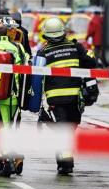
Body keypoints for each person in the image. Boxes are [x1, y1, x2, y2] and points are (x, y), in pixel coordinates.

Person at [38, 17, 97, 175]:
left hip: (55, 100)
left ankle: (65, 163)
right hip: (75, 99)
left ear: (46, 35)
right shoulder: (76, 47)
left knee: (62, 130)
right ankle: (66, 162)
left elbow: (35, 77)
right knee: (69, 129)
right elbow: (92, 64)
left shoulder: (43, 52)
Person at [0, 20, 28, 176]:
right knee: (9, 127)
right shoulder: (18, 47)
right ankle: (3, 158)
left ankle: (6, 161)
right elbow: (25, 67)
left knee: (1, 127)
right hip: (14, 97)